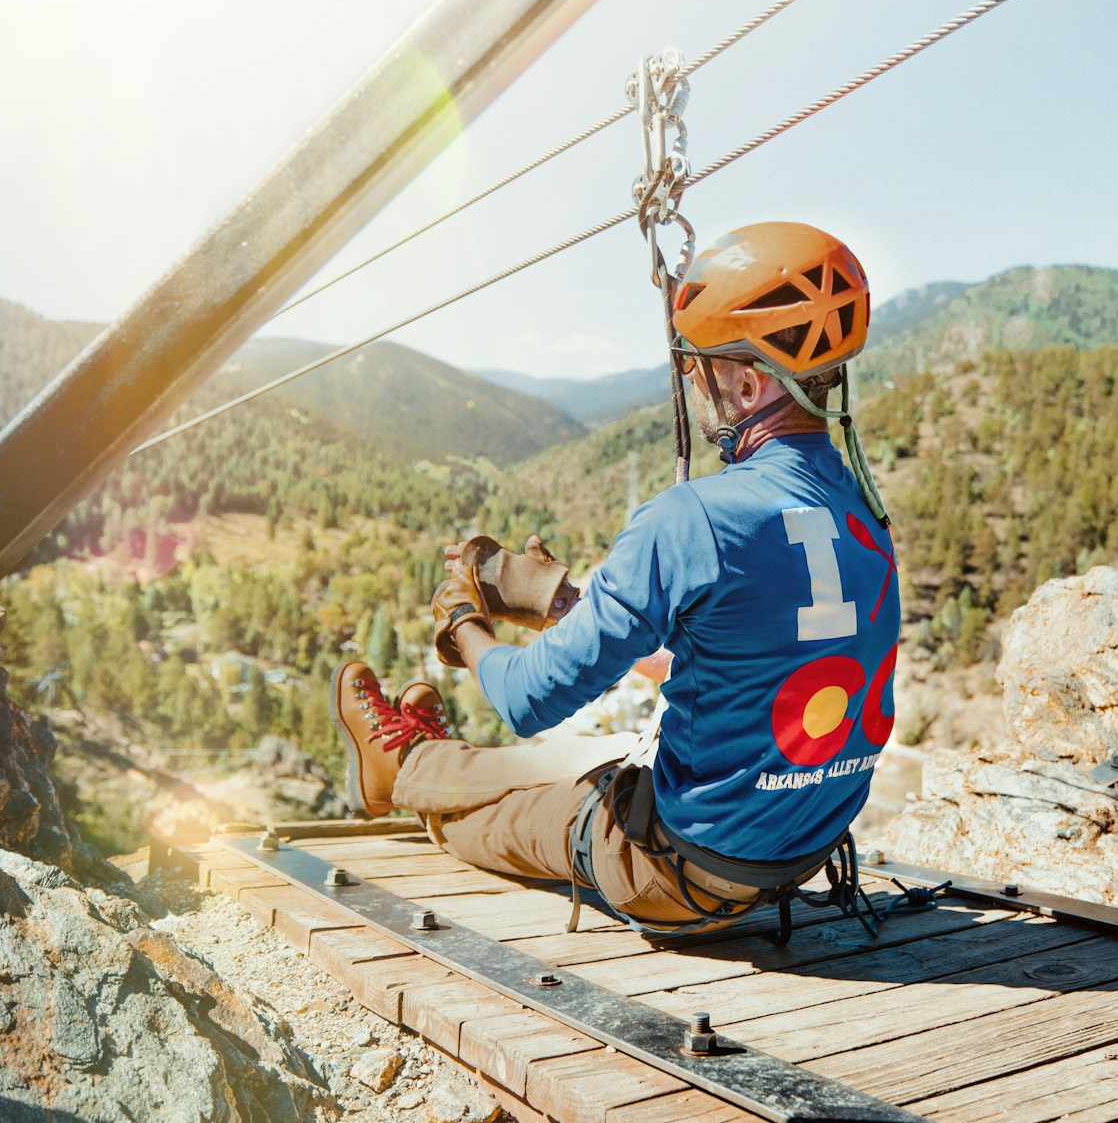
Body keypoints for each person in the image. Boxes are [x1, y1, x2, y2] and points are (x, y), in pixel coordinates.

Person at [328, 220, 900, 940]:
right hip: (795, 854)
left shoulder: (694, 518)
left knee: (513, 805)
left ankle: (405, 767)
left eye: (697, 371)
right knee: (579, 761)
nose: (694, 388)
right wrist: (572, 608)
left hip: (682, 873)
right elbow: (740, 653)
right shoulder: (863, 514)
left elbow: (525, 697)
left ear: (748, 383)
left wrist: (462, 624)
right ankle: (417, 764)